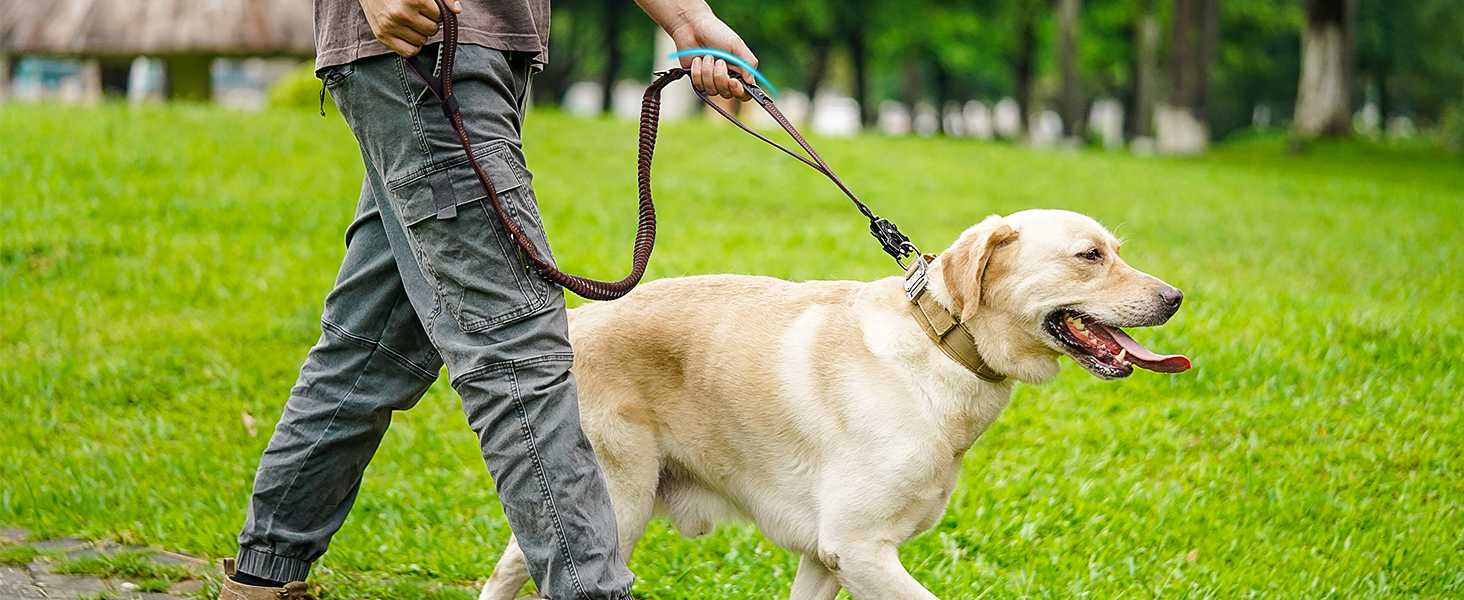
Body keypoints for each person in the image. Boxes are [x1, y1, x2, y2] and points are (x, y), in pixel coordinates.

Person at [217, 0, 757, 598]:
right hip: (427, 46)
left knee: (374, 346)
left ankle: (262, 579)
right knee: (519, 351)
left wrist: (686, 18)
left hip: (481, 52)